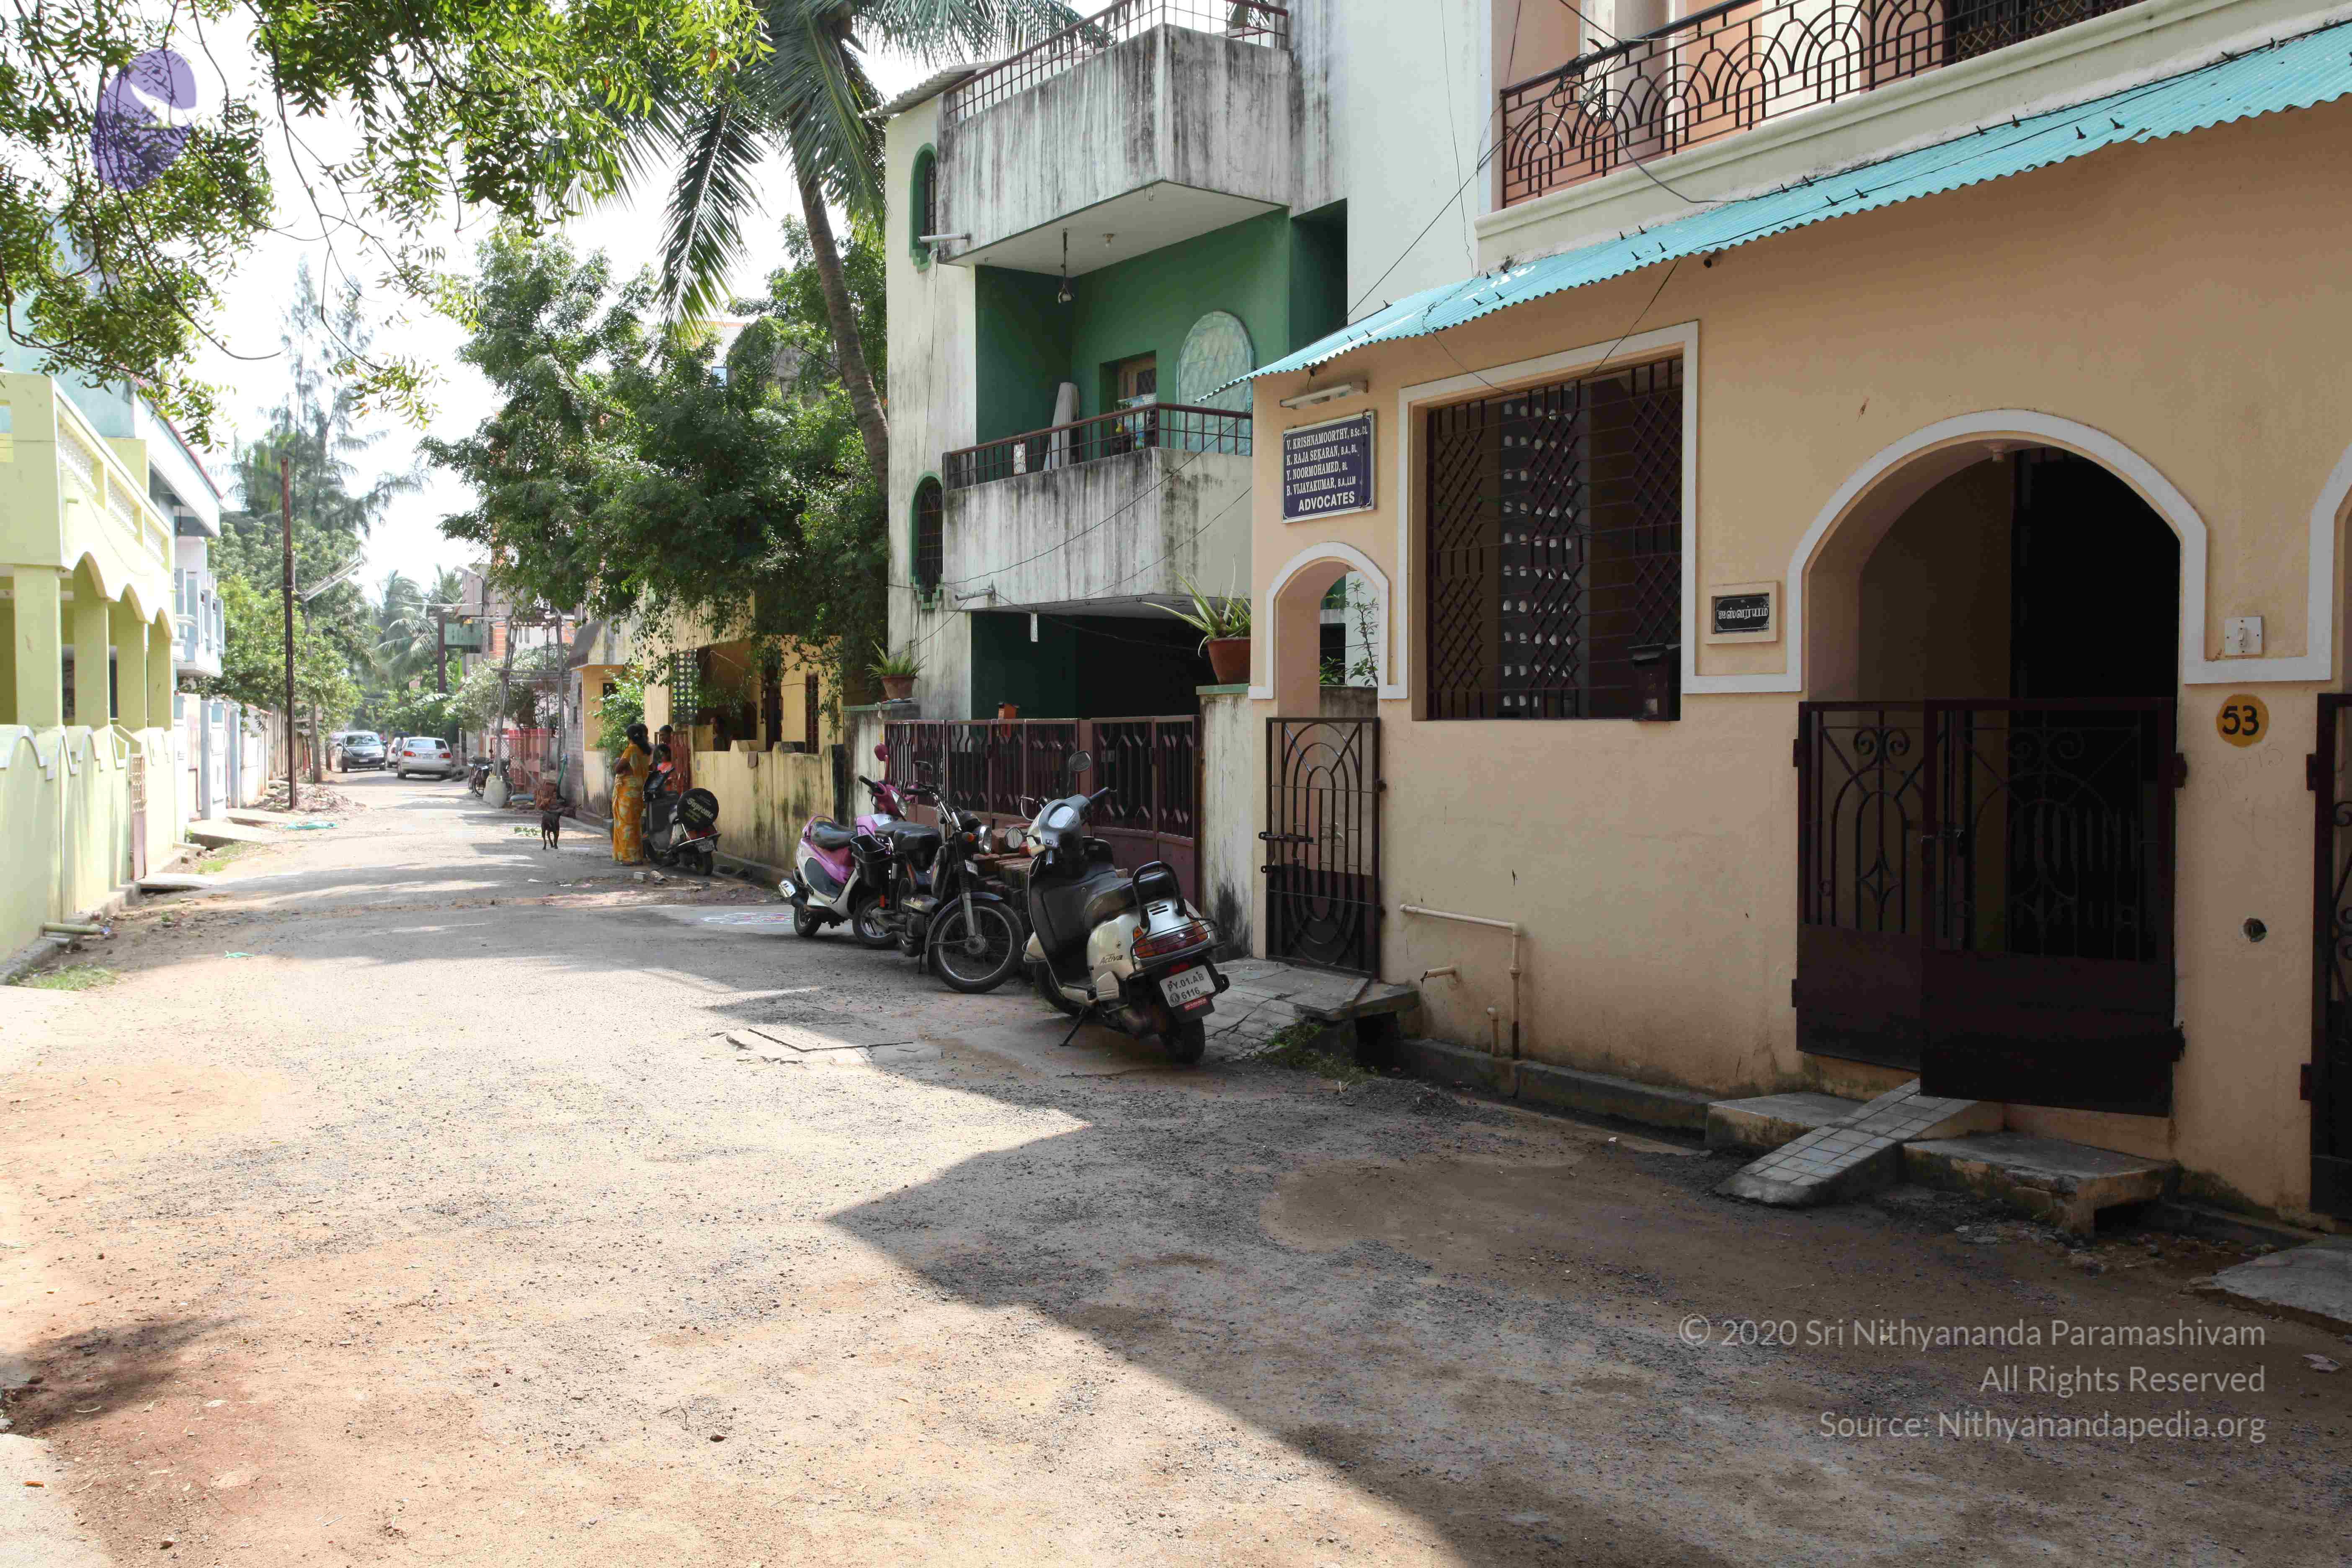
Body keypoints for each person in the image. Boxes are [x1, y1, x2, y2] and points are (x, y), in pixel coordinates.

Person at [612, 722, 652, 864]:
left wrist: (617, 764)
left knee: (626, 826)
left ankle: (630, 858)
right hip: (638, 791)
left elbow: (618, 769)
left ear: (629, 737)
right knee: (635, 825)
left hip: (627, 793)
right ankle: (637, 856)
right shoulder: (645, 751)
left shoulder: (632, 750)